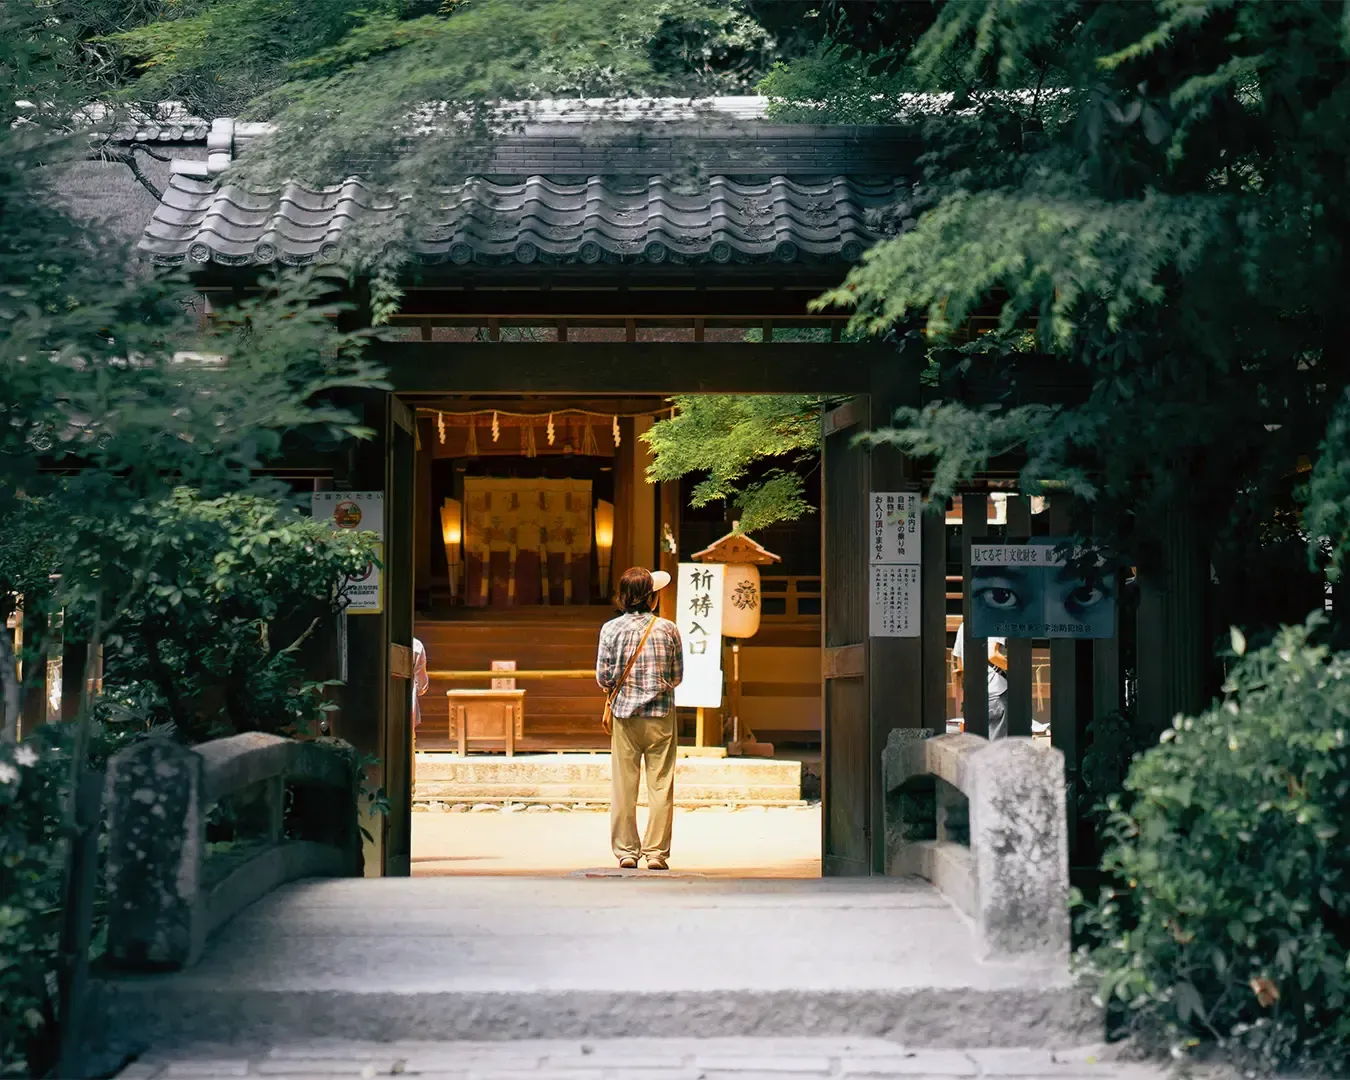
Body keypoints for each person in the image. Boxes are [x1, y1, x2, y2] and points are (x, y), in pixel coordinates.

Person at [595, 567, 683, 871]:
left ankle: (626, 851)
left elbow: (603, 677)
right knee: (661, 785)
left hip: (624, 716)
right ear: (652, 598)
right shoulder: (668, 629)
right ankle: (656, 853)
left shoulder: (610, 630)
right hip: (660, 716)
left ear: (623, 597)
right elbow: (677, 676)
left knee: (624, 785)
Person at [951, 620, 1008, 739]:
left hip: (975, 695)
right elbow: (992, 655)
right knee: (998, 746)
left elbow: (960, 663)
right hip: (997, 690)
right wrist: (1018, 670)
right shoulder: (995, 621)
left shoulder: (964, 625)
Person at [411, 636, 429, 794]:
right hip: (406, 709)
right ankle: (410, 787)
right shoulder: (415, 645)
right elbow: (421, 685)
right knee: (409, 744)